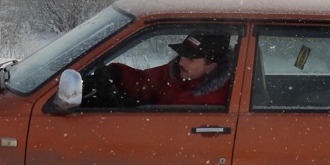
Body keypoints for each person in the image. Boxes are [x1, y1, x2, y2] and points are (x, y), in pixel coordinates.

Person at [88, 32, 233, 107]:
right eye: (182, 55)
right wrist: (117, 73)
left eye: (191, 59)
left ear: (211, 67)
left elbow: (166, 122)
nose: (181, 61)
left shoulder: (211, 100)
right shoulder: (176, 73)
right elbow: (144, 82)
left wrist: (127, 108)